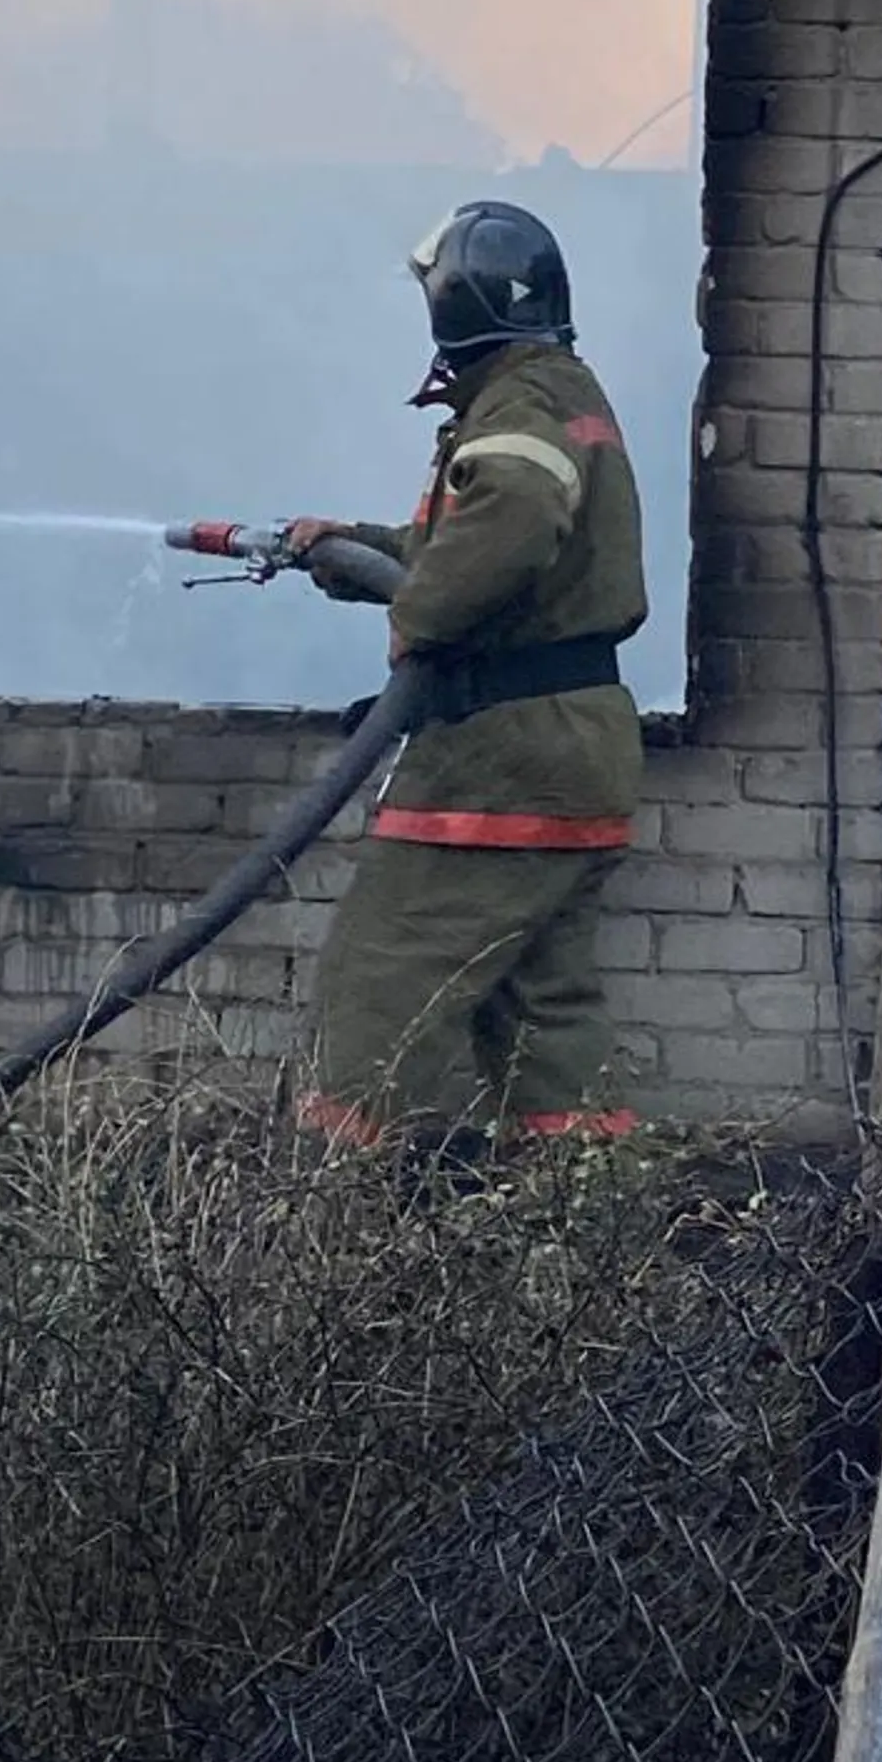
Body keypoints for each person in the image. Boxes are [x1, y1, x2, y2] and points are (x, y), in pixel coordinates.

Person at [286, 200, 648, 1160]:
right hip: (576, 752)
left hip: (499, 764)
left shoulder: (519, 410)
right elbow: (471, 539)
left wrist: (417, 621)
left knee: (376, 989)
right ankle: (584, 1239)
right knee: (546, 1025)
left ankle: (316, 1244)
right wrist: (349, 548)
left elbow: (516, 515)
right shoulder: (560, 392)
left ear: (457, 309)